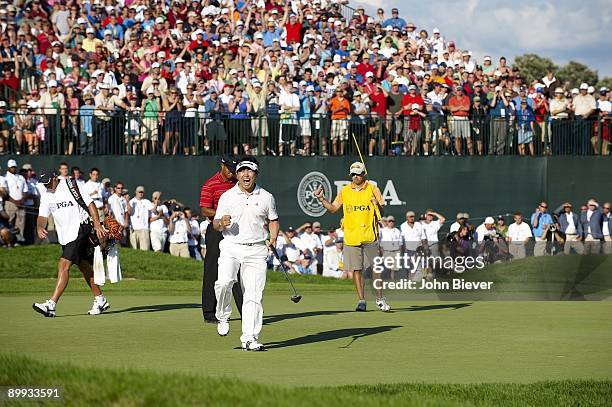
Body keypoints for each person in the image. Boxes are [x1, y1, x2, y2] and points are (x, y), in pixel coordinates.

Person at [213, 156, 279, 351]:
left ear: (256, 174)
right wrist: (221, 223)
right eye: (242, 171)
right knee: (224, 282)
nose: (246, 174)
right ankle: (223, 315)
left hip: (257, 249)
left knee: (254, 294)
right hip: (231, 246)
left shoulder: (266, 197)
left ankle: (249, 337)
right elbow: (216, 224)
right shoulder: (227, 196)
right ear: (237, 174)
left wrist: (273, 237)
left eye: (250, 171)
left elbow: (273, 219)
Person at [314, 161, 389, 312]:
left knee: (376, 269)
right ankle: (361, 300)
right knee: (356, 269)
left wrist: (377, 204)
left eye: (358, 174)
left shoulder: (373, 189)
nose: (355, 177)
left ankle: (380, 299)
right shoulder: (345, 191)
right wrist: (322, 199)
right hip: (351, 237)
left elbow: (382, 213)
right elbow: (334, 208)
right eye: (353, 174)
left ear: (364, 174)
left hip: (370, 236)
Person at [32, 169, 108, 317]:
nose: (47, 185)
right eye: (44, 183)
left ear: (55, 178)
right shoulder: (47, 194)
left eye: (48, 182)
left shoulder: (71, 185)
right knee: (84, 266)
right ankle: (100, 299)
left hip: (80, 228)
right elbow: (42, 215)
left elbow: (90, 204)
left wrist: (97, 224)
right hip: (65, 236)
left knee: (63, 265)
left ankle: (51, 305)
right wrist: (40, 226)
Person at [200, 155, 242, 324]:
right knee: (212, 270)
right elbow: (204, 209)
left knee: (239, 269)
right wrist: (221, 214)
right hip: (216, 231)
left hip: (234, 231)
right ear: (222, 166)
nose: (232, 172)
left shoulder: (237, 185)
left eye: (234, 169)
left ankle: (246, 311)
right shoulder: (211, 184)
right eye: (230, 169)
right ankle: (209, 312)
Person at [4, 159, 29, 243]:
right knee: (10, 221)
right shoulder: (5, 178)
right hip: (10, 203)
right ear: (8, 168)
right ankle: (9, 240)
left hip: (21, 203)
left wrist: (22, 200)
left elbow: (25, 190)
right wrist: (15, 201)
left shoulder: (21, 177)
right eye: (11, 167)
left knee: (21, 222)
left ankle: (19, 240)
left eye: (14, 167)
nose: (13, 168)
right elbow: (5, 193)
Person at [128, 186, 154, 251]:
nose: (141, 193)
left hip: (144, 228)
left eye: (142, 192)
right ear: (136, 192)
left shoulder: (146, 201)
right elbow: (129, 212)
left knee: (145, 249)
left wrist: (156, 201)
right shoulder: (131, 201)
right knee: (134, 248)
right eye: (139, 192)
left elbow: (153, 209)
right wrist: (127, 202)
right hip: (134, 228)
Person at [379, 215, 402, 280]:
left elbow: (400, 242)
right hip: (386, 251)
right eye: (389, 221)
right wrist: (382, 252)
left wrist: (399, 252)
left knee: (394, 269)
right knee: (386, 268)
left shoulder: (397, 231)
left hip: (396, 251)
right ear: (387, 222)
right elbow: (380, 243)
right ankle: (385, 281)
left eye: (392, 221)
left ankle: (392, 281)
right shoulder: (382, 231)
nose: (391, 222)